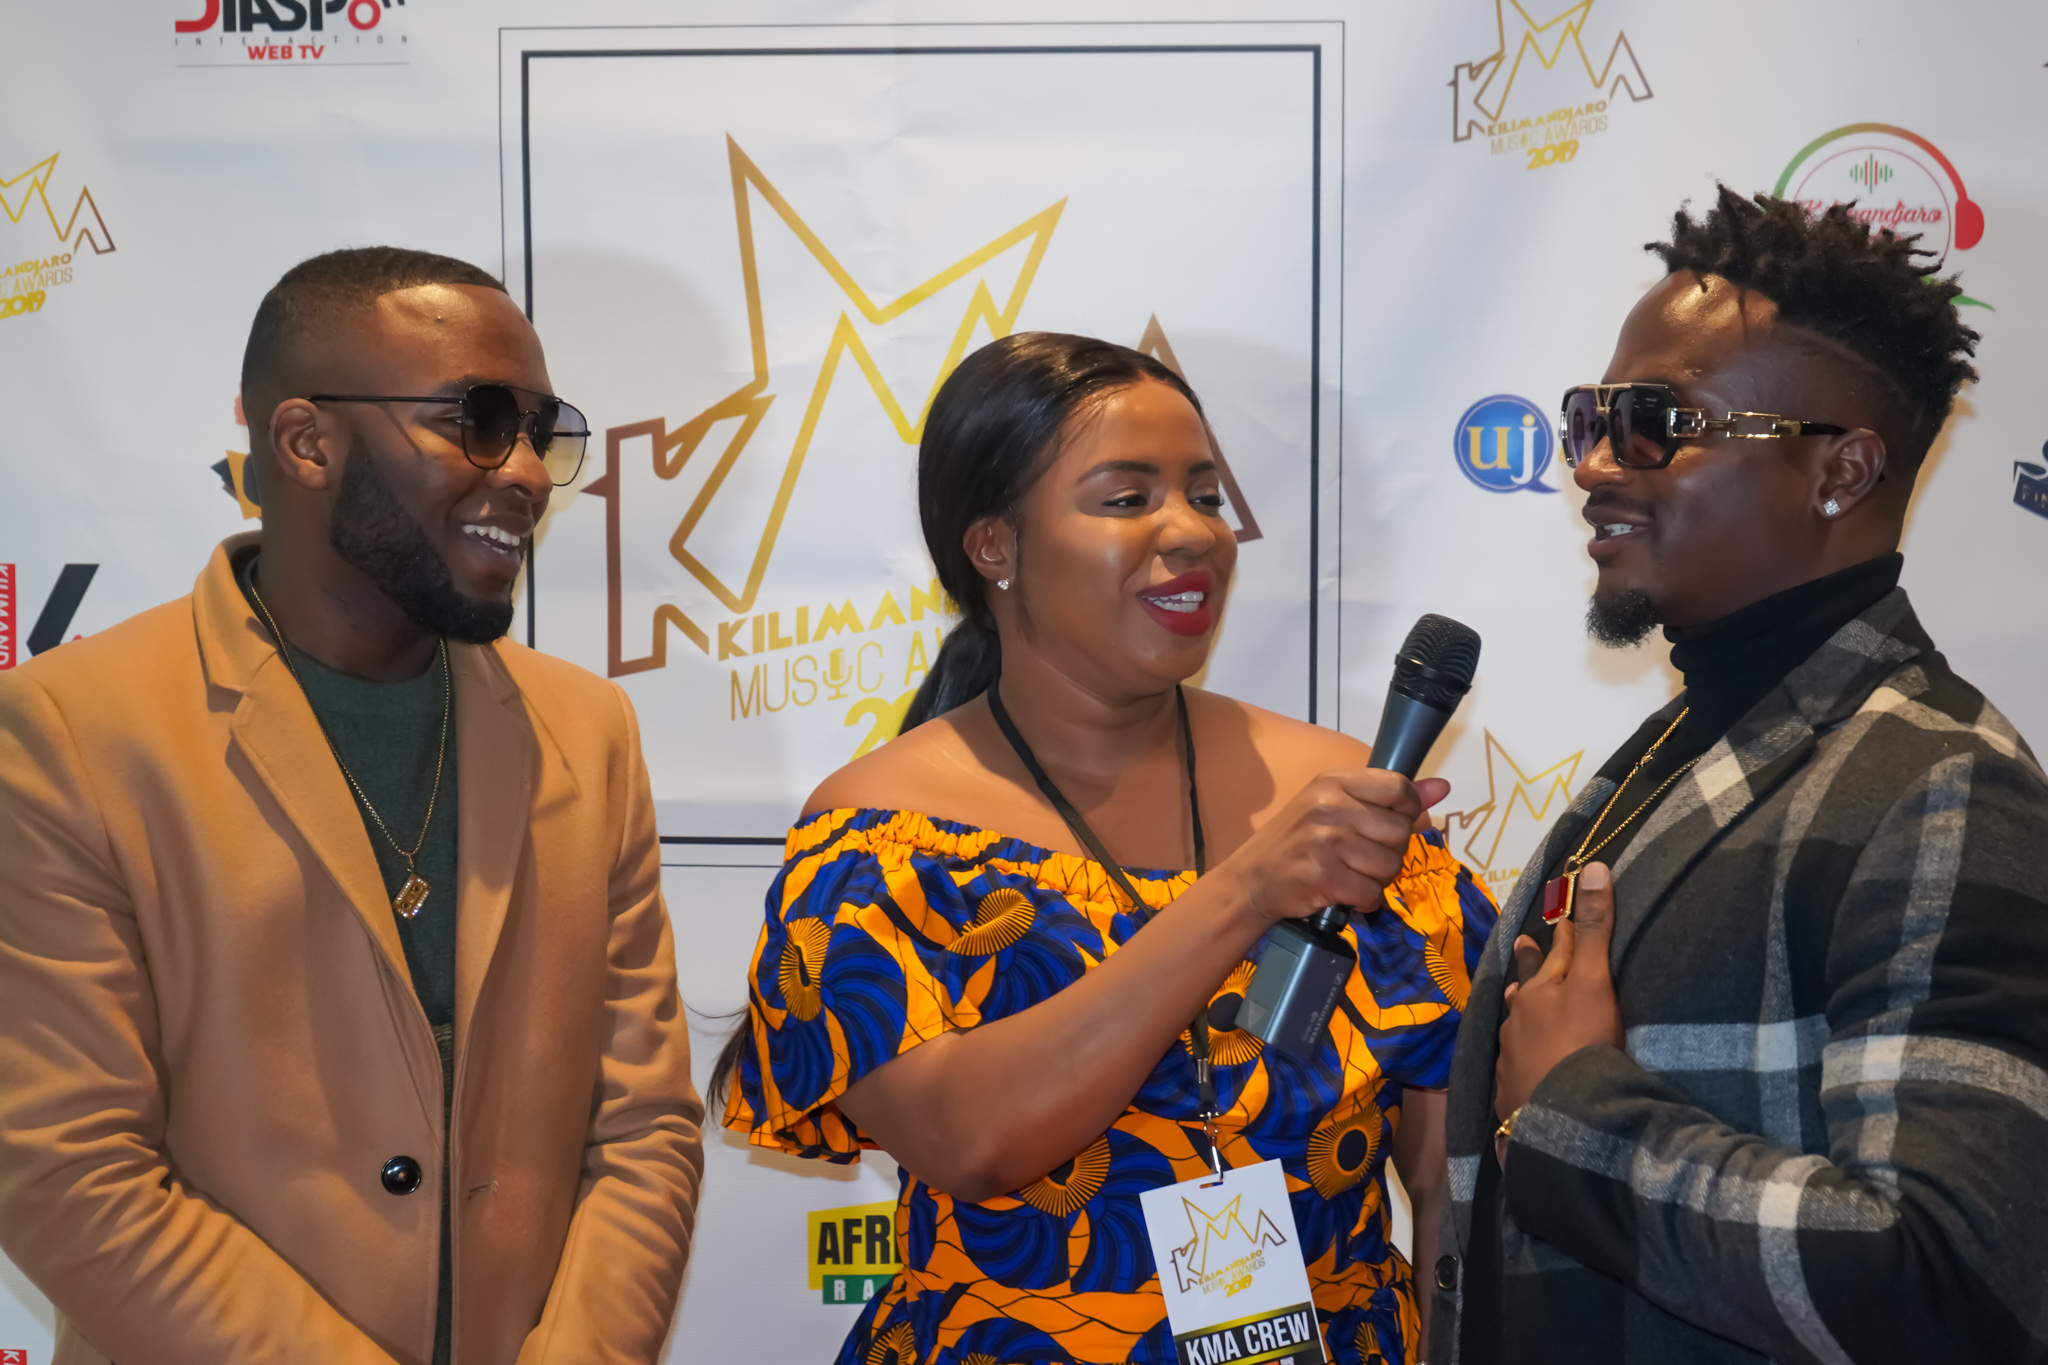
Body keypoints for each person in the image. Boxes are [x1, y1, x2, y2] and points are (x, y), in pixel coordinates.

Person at [719, 332, 1499, 1365]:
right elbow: (968, 1142)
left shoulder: (1346, 795)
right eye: (1127, 498)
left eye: (1205, 495)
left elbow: (1450, 1175)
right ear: (993, 547)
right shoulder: (878, 838)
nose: (1192, 531)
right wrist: (1245, 892)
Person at [0, 247, 704, 1365]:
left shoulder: (588, 731)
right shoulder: (70, 733)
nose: (527, 472)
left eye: (539, 431)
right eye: (478, 422)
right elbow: (62, 1165)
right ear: (305, 441)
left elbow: (643, 1127)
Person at [1435, 188, 2048, 1363]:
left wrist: (1575, 1109)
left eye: (1656, 421)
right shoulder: (1665, 758)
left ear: (1840, 472)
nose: (1593, 464)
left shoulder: (1938, 786)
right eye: (1589, 418)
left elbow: (1947, 1293)